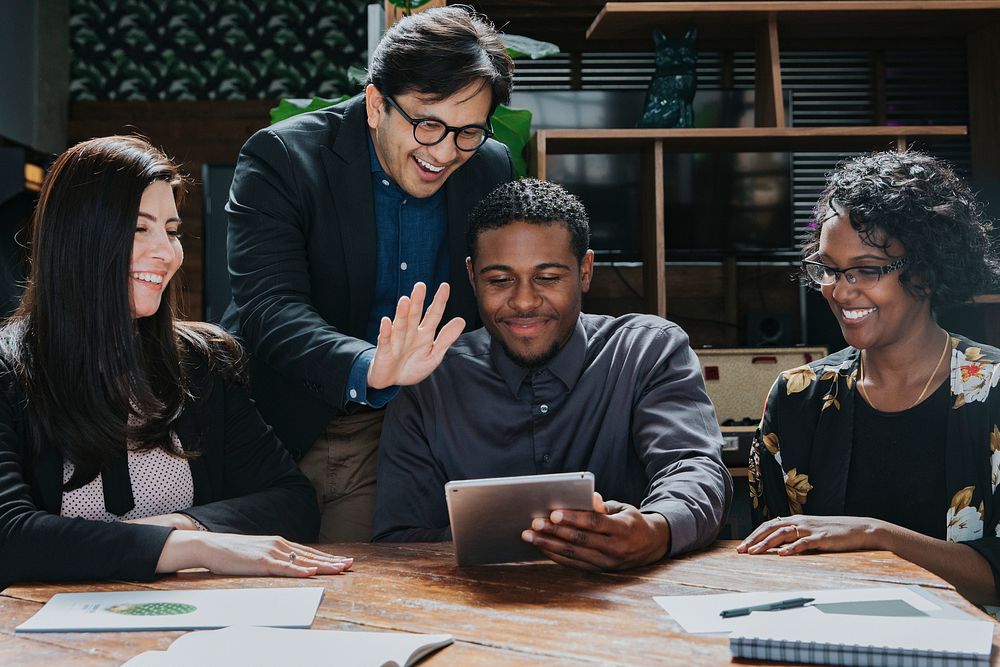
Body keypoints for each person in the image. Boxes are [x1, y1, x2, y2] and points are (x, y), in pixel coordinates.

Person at [0, 136, 352, 588]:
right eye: (139, 228)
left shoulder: (203, 363)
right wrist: (196, 546)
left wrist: (183, 525)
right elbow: (10, 538)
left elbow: (291, 501)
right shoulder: (11, 373)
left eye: (171, 230)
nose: (166, 253)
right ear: (78, 237)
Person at [223, 5, 515, 542]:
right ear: (377, 104)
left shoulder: (489, 166)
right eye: (428, 125)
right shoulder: (284, 158)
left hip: (427, 427)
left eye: (468, 131)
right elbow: (269, 308)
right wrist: (370, 366)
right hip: (302, 424)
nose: (445, 152)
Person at [372, 179, 732, 571]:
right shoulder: (430, 378)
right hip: (471, 606)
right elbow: (400, 536)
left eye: (547, 278)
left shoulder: (647, 352)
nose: (524, 302)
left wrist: (655, 530)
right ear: (473, 277)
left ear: (586, 270)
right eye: (499, 280)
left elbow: (693, 468)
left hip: (628, 601)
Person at [741, 150, 1000, 604]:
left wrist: (877, 536)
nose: (840, 291)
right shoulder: (797, 396)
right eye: (828, 268)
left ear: (924, 269)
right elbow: (770, 555)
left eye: (866, 270)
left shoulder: (993, 389)